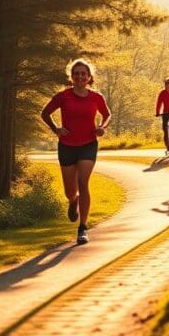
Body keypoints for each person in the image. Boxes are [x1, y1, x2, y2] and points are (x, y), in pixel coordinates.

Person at [40, 58, 111, 245]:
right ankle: (73, 201)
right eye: (76, 73)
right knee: (70, 191)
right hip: (67, 146)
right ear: (71, 77)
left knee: (83, 182)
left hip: (88, 143)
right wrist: (55, 128)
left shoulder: (97, 97)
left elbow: (107, 114)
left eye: (83, 74)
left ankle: (83, 228)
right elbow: (44, 113)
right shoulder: (63, 96)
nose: (80, 76)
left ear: (89, 77)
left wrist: (102, 126)